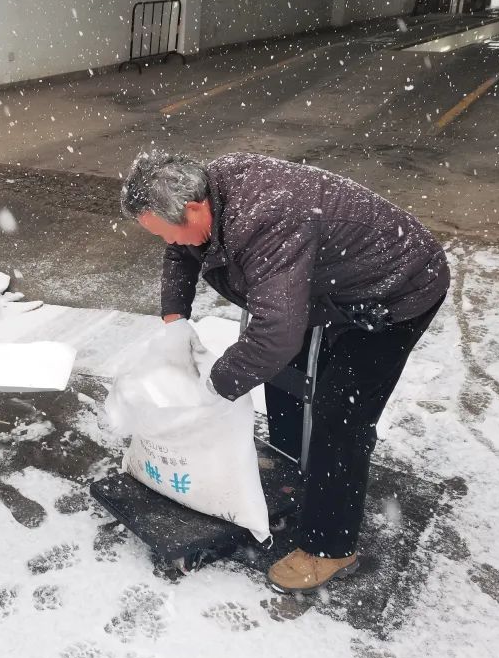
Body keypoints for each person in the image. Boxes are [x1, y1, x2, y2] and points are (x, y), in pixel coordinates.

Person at [120, 152, 449, 594]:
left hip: (395, 288)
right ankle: (294, 469)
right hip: (325, 283)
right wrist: (174, 319)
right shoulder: (202, 197)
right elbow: (183, 252)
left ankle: (329, 547)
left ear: (195, 208)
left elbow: (276, 334)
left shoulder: (267, 218)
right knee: (280, 372)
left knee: (340, 414)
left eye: (169, 232)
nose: (172, 243)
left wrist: (214, 389)